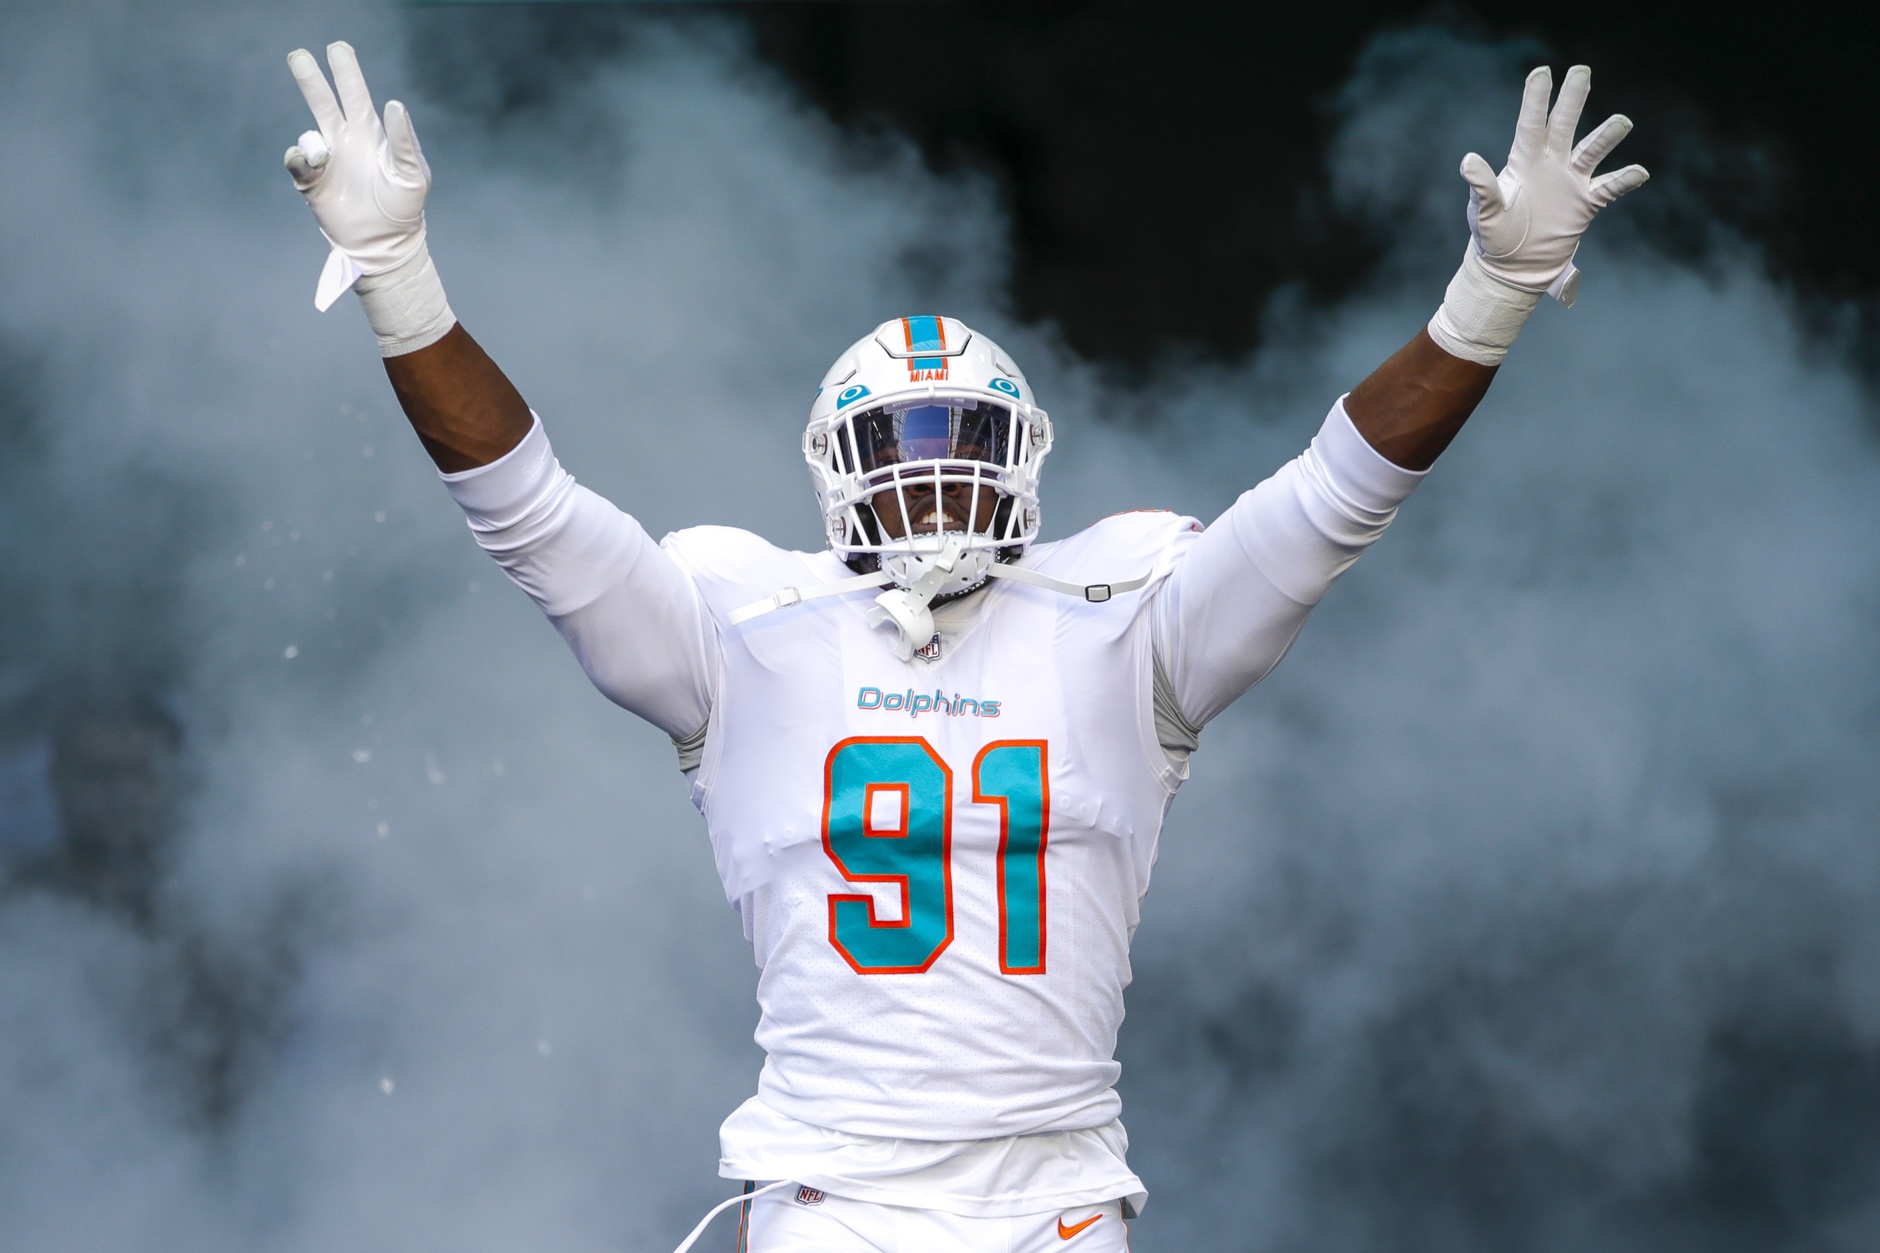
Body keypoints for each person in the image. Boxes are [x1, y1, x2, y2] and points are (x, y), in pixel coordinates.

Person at [282, 41, 1646, 1253]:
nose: (934, 486)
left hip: (1055, 1197)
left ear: (1027, 458)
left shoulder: (1128, 616)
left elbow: (1332, 499)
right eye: (901, 451)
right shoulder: (738, 623)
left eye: (963, 447)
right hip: (834, 1200)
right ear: (831, 470)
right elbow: (528, 512)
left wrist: (1494, 289)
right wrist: (403, 281)